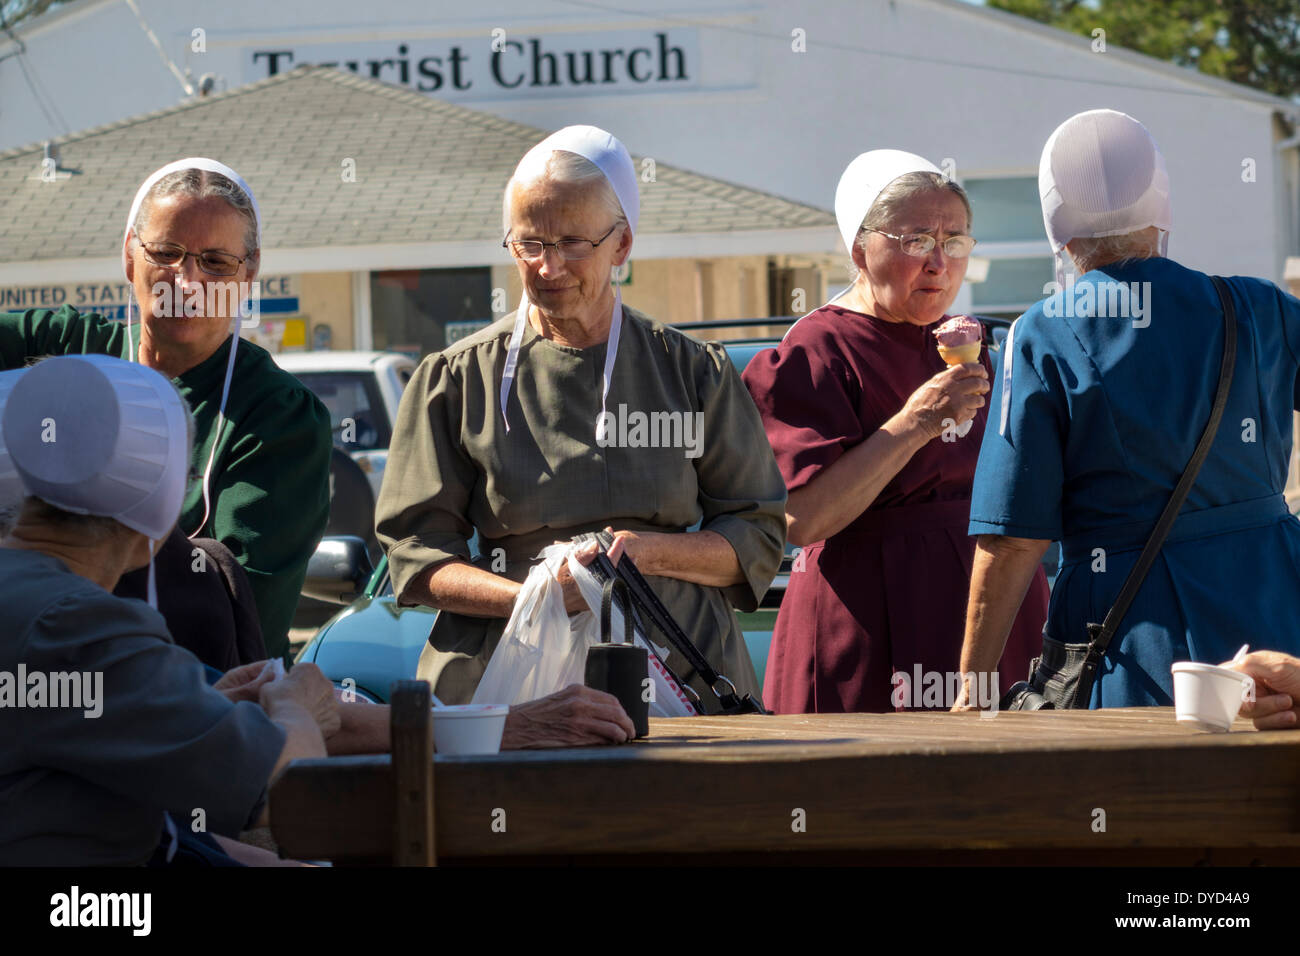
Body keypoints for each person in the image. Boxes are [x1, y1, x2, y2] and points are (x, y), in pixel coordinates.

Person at [0, 357, 636, 866]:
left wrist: (210, 704)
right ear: (161, 511)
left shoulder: (38, 602)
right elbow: (283, 783)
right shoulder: (78, 623)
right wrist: (293, 708)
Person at [376, 125, 787, 709]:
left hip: (679, 660)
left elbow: (758, 533)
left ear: (621, 244)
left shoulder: (692, 372)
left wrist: (646, 554)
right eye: (530, 244)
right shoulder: (459, 378)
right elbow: (416, 557)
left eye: (573, 243)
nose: (548, 267)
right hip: (508, 667)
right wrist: (540, 596)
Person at [954, 109, 1300, 709]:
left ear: (1057, 233)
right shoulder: (1262, 306)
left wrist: (971, 693)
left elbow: (1012, 543)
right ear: (1162, 212)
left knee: (1144, 797)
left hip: (1138, 633)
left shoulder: (1041, 334)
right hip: (1278, 605)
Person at [742, 149, 1048, 713]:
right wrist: (915, 423)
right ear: (860, 249)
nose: (938, 262)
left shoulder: (977, 341)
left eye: (954, 240)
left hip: (992, 611)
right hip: (875, 611)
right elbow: (802, 519)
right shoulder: (816, 350)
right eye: (915, 240)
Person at [0, 158, 331, 662]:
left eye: (216, 261)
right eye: (166, 253)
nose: (186, 280)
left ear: (250, 271)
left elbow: (240, 612)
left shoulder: (278, 417)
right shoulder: (67, 347)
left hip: (202, 693)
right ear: (130, 255)